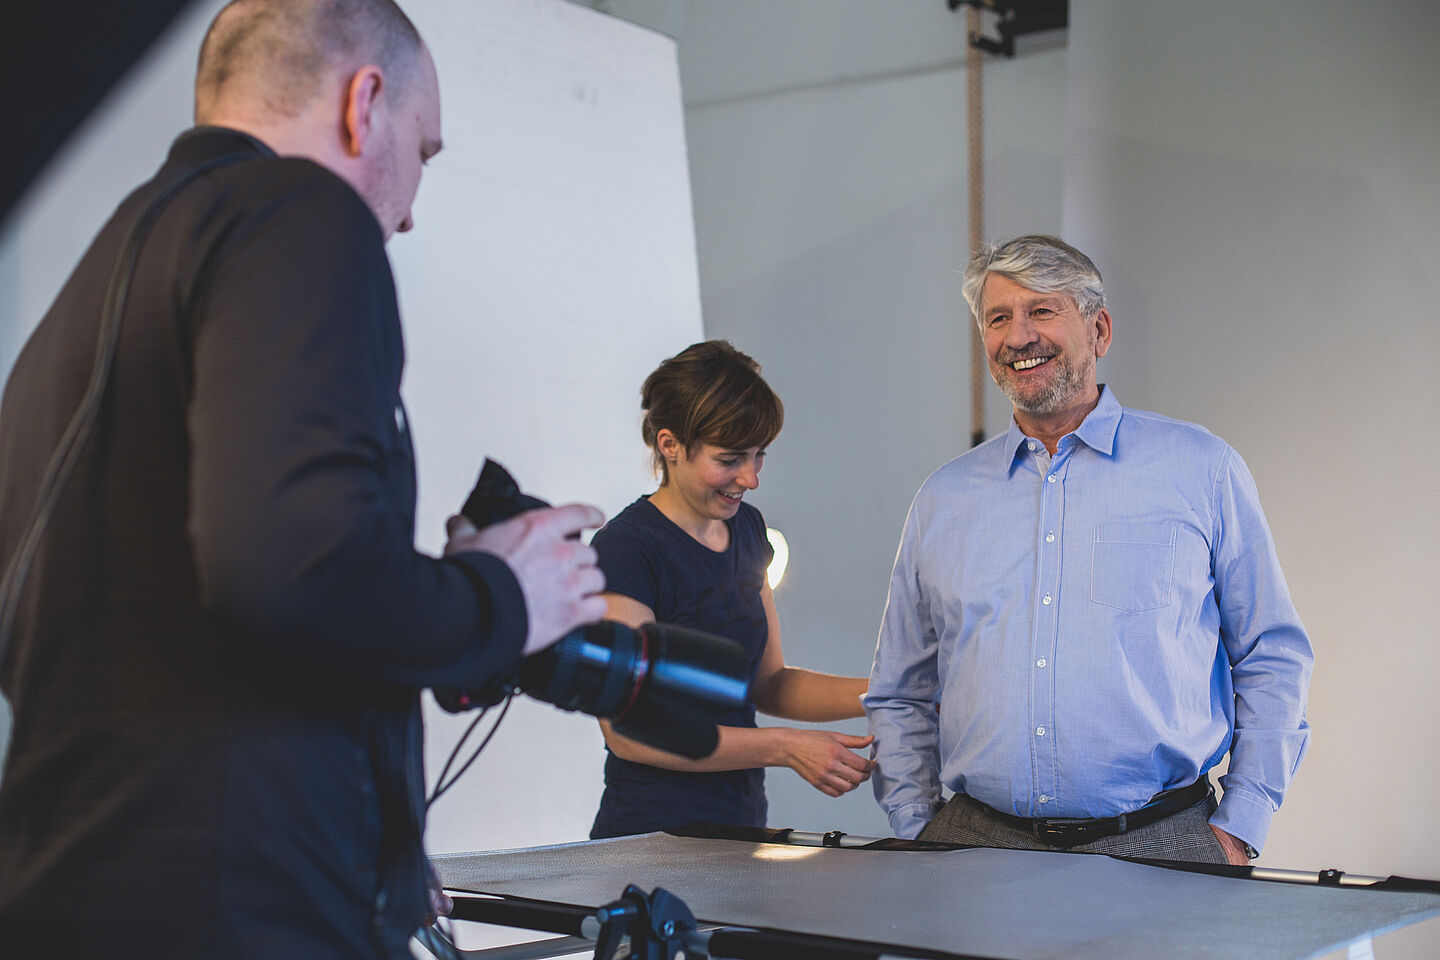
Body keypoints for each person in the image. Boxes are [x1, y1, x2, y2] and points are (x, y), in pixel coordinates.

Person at [0, 2, 605, 957]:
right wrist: (503, 595)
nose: (409, 209)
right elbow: (291, 572)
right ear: (364, 103)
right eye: (424, 150)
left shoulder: (91, 291)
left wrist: (364, 848)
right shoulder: (300, 214)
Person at [865, 235, 1312, 864]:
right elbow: (900, 690)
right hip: (971, 847)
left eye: (1041, 311)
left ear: (1098, 331)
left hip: (1164, 842)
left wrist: (1243, 823)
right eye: (998, 318)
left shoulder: (1202, 469)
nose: (1017, 337)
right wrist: (916, 827)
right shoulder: (943, 498)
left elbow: (1273, 654)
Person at [588, 340, 872, 839]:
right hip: (650, 837)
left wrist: (891, 693)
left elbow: (769, 683)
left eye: (759, 456)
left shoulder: (747, 529)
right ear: (669, 444)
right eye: (730, 459)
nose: (750, 478)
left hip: (739, 828)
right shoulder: (626, 549)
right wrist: (784, 747)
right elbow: (628, 730)